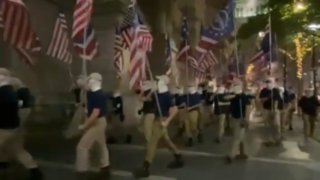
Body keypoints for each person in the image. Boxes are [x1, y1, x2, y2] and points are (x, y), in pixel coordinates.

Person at [133, 75, 184, 178]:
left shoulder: (167, 96)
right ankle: (178, 156)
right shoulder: (155, 94)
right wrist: (143, 91)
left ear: (162, 83)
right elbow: (142, 99)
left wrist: (167, 122)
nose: (156, 82)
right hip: (156, 120)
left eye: (157, 81)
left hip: (162, 121)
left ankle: (145, 167)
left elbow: (174, 110)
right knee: (166, 140)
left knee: (152, 143)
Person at [0, 68, 43, 180]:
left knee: (14, 148)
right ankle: (34, 169)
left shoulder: (5, 92)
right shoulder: (12, 91)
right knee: (17, 149)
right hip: (13, 126)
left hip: (5, 127)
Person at [75, 73, 110, 180]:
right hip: (97, 121)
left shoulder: (99, 95)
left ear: (95, 81)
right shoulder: (91, 93)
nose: (88, 82)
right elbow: (83, 86)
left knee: (82, 147)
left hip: (97, 122)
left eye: (89, 80)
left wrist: (85, 126)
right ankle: (105, 169)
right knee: (101, 146)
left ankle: (82, 173)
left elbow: (95, 113)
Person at [226, 83, 251, 164]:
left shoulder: (243, 97)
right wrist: (234, 95)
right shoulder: (235, 97)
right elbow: (225, 98)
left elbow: (247, 108)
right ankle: (242, 153)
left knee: (237, 138)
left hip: (241, 119)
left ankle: (231, 155)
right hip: (235, 118)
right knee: (240, 137)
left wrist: (246, 120)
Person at [259, 78, 283, 147]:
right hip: (266, 109)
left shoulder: (275, 90)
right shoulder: (263, 91)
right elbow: (260, 99)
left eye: (270, 82)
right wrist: (267, 98)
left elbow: (277, 100)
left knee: (276, 124)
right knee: (267, 124)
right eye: (267, 82)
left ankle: (277, 138)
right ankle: (269, 139)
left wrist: (275, 109)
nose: (268, 84)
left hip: (275, 109)